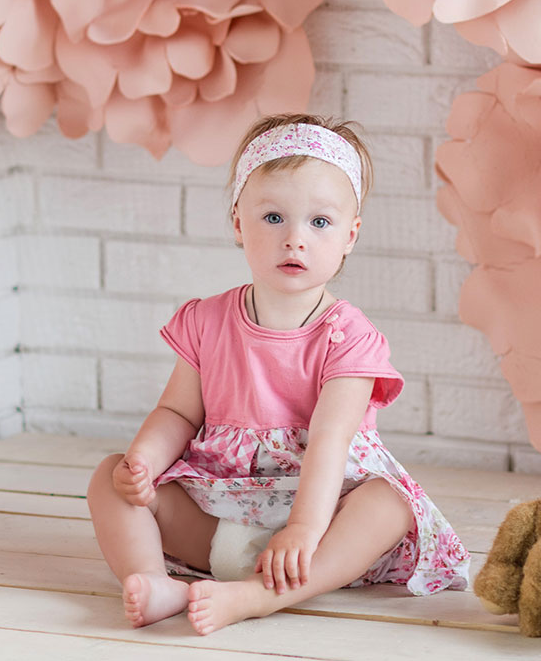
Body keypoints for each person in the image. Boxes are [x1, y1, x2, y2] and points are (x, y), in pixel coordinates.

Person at [86, 114, 470, 635]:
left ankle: (255, 597)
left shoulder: (349, 336)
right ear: (238, 224)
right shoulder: (206, 321)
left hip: (319, 529)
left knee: (389, 504)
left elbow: (330, 441)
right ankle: (156, 581)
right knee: (108, 478)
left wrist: (304, 528)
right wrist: (143, 461)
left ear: (350, 235)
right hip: (218, 514)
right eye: (273, 218)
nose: (295, 239)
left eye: (319, 223)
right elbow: (176, 411)